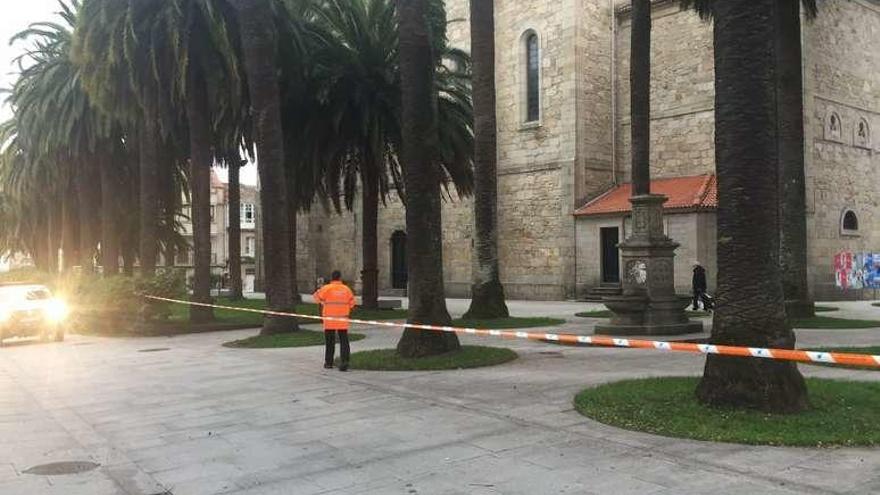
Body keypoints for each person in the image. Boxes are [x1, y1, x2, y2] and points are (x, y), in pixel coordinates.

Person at [313, 270, 356, 371]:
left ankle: (329, 363)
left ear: (331, 278)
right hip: (342, 319)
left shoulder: (326, 288)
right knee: (344, 340)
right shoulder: (346, 289)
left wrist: (323, 300)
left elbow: (316, 297)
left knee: (329, 341)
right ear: (340, 278)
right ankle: (344, 362)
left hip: (329, 319)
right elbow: (352, 303)